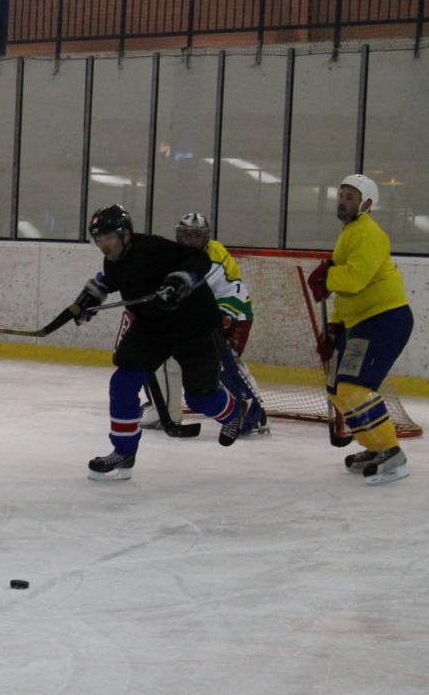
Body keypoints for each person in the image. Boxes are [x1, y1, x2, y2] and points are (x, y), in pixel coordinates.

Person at [76, 204, 261, 481]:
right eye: (99, 239)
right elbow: (111, 279)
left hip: (195, 325)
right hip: (154, 328)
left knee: (200, 397)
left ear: (125, 233)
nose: (104, 245)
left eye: (108, 237)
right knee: (123, 383)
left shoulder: (153, 247)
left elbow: (198, 259)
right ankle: (124, 452)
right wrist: (92, 296)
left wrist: (180, 280)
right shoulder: (114, 259)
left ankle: (233, 412)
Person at [307, 173, 414, 484]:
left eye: (350, 197)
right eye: (341, 195)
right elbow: (347, 293)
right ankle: (374, 446)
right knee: (338, 390)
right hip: (362, 322)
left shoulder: (368, 233)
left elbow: (354, 279)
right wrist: (335, 325)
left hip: (385, 319)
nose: (342, 201)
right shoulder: (350, 233)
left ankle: (391, 452)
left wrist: (328, 278)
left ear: (366, 204)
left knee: (355, 389)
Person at [142, 212, 267, 434]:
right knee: (157, 353)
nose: (190, 240)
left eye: (196, 235)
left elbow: (234, 290)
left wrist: (221, 315)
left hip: (234, 315)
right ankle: (162, 409)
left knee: (221, 361)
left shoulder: (217, 255)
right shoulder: (173, 255)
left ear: (206, 237)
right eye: (186, 235)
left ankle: (253, 414)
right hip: (198, 319)